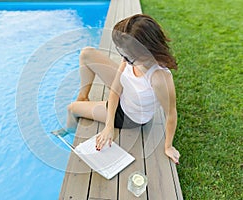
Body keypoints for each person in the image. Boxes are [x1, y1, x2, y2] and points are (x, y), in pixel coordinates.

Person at [53, 14, 180, 164]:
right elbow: (115, 89)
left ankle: (71, 130)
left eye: (127, 58)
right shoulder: (131, 55)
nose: (124, 60)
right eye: (122, 55)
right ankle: (83, 98)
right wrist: (109, 126)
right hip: (127, 91)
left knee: (72, 108)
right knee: (87, 53)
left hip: (129, 115)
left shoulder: (159, 78)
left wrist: (168, 146)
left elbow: (171, 113)